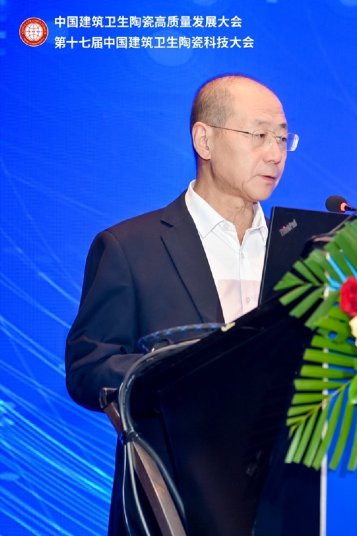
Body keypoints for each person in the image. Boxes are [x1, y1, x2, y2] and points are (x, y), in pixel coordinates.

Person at [65, 74, 300, 535]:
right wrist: (182, 371)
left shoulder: (300, 252)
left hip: (285, 502)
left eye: (282, 138)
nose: (275, 153)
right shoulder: (131, 247)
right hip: (175, 501)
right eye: (258, 135)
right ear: (204, 140)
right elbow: (88, 368)